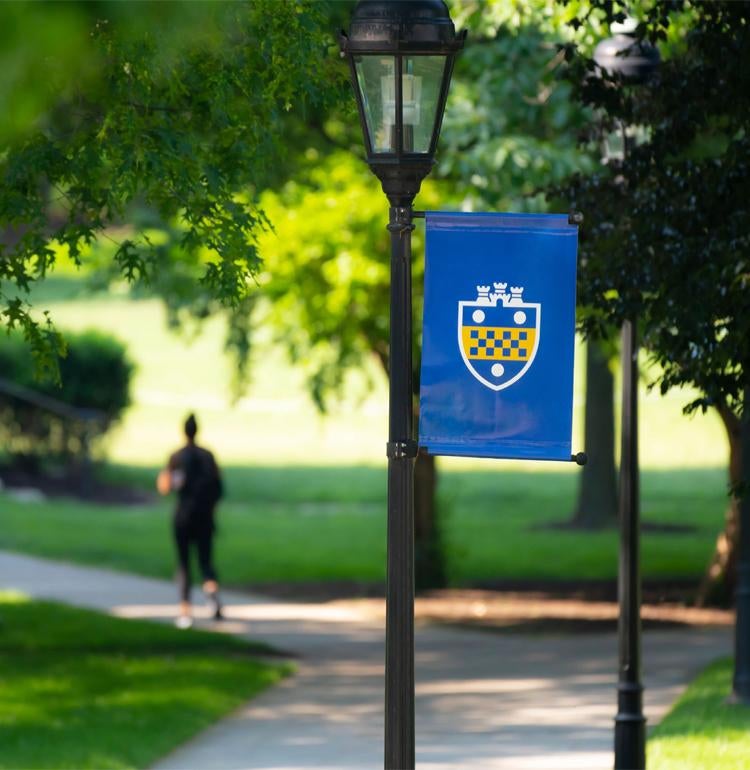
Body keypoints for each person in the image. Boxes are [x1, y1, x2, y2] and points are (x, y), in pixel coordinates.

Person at [157, 413, 224, 628]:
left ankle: (185, 611)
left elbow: (165, 487)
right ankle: (212, 597)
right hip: (204, 516)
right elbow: (218, 487)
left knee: (184, 564)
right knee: (206, 561)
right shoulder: (208, 456)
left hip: (183, 517)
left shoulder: (176, 457)